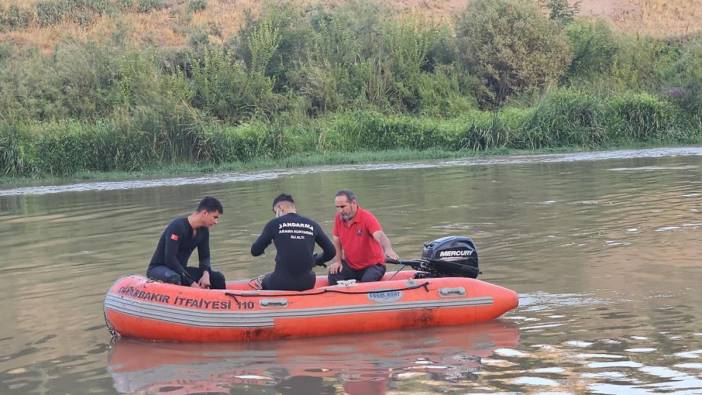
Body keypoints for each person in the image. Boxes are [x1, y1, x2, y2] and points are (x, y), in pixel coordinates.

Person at [251, 193, 336, 291]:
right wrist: (316, 261)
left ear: (280, 208)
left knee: (264, 279)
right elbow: (331, 252)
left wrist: (269, 238)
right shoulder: (312, 224)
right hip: (307, 283)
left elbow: (255, 251)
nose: (276, 216)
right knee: (310, 274)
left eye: (275, 212)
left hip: (280, 283)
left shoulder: (274, 224)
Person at [147, 196, 226, 289]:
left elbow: (204, 256)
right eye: (215, 217)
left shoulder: (204, 231)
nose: (216, 222)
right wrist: (191, 282)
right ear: (205, 213)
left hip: (181, 270)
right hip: (160, 268)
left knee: (218, 278)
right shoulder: (177, 226)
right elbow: (170, 258)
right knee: (174, 278)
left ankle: (218, 302)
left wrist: (206, 274)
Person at [328, 190, 399, 285]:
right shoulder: (338, 218)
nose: (340, 210)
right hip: (351, 266)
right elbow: (336, 240)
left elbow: (380, 235)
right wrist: (338, 261)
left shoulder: (367, 217)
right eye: (337, 207)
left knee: (367, 282)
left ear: (353, 203)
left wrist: (388, 249)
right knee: (333, 275)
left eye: (343, 206)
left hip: (373, 266)